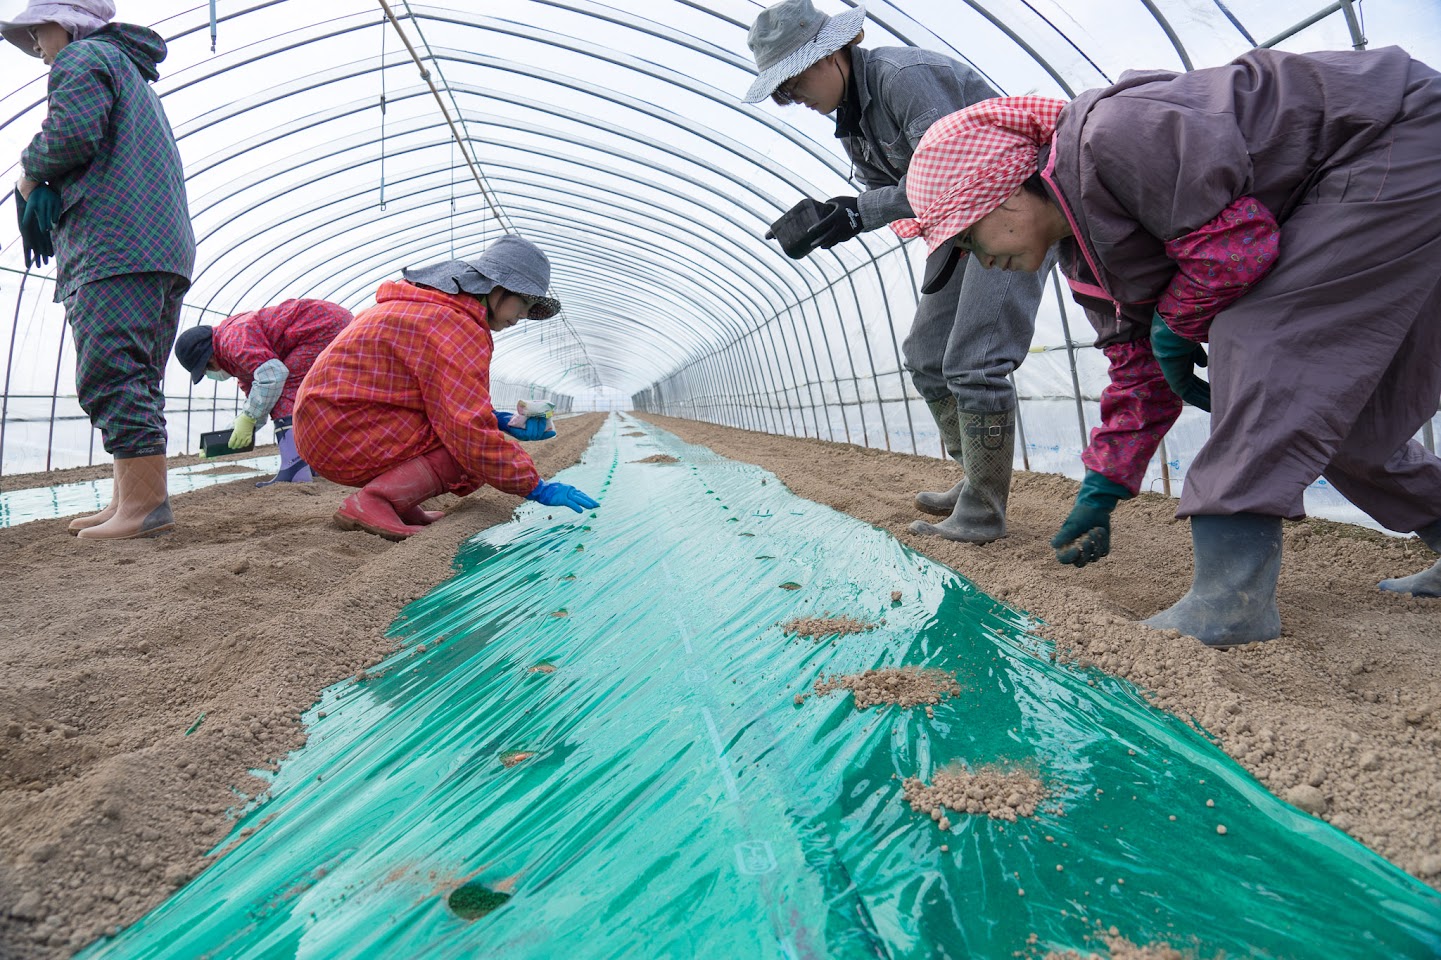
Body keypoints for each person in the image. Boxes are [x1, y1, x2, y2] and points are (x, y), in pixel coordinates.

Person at [894, 46, 1441, 647]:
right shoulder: (1088, 261)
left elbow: (1239, 247)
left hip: (1399, 134)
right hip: (1380, 172)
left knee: (1256, 339)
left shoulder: (1114, 136)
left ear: (1004, 193)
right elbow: (1136, 374)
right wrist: (1102, 488)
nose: (975, 259)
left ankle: (1232, 601)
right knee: (1339, 419)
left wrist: (1173, 324)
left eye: (966, 237)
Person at [743, 0, 1050, 544]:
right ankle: (974, 475)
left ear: (833, 53)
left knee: (975, 361)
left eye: (793, 81)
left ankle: (983, 512)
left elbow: (955, 173)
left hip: (1011, 212)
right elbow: (884, 196)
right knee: (928, 357)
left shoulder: (904, 78)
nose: (793, 99)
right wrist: (835, 215)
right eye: (782, 92)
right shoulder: (852, 124)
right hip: (958, 228)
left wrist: (857, 211)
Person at [3, 0, 195, 539]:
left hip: (116, 245)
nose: (38, 50)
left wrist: (28, 175)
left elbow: (71, 135)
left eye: (38, 33)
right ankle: (129, 501)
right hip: (159, 246)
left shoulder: (82, 58)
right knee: (136, 373)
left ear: (63, 23)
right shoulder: (126, 71)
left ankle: (145, 509)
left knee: (110, 368)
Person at [293, 234, 598, 541]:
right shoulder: (455, 326)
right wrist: (536, 486)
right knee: (467, 451)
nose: (522, 316)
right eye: (523, 302)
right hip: (342, 431)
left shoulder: (431, 308)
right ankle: (376, 501)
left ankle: (400, 502)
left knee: (463, 435)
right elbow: (467, 430)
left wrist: (501, 420)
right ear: (497, 287)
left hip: (327, 424)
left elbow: (435, 397)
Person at [174, 300, 353, 486]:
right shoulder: (239, 364)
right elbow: (260, 400)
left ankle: (294, 469)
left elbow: (274, 375)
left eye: (205, 370)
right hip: (334, 323)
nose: (210, 375)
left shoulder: (233, 340)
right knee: (300, 397)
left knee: (285, 391)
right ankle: (312, 462)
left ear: (209, 357)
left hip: (324, 326)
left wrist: (249, 417)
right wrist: (237, 429)